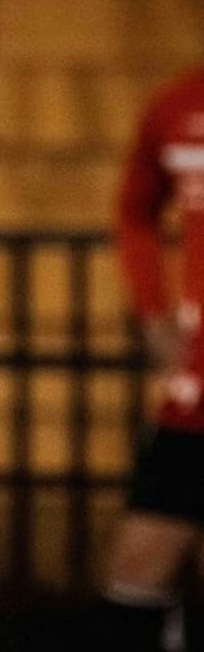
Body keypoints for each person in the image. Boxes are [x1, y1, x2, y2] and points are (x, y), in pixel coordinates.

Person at [106, 65, 204, 651]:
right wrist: (153, 312)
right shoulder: (177, 106)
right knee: (137, 569)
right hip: (197, 387)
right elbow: (135, 213)